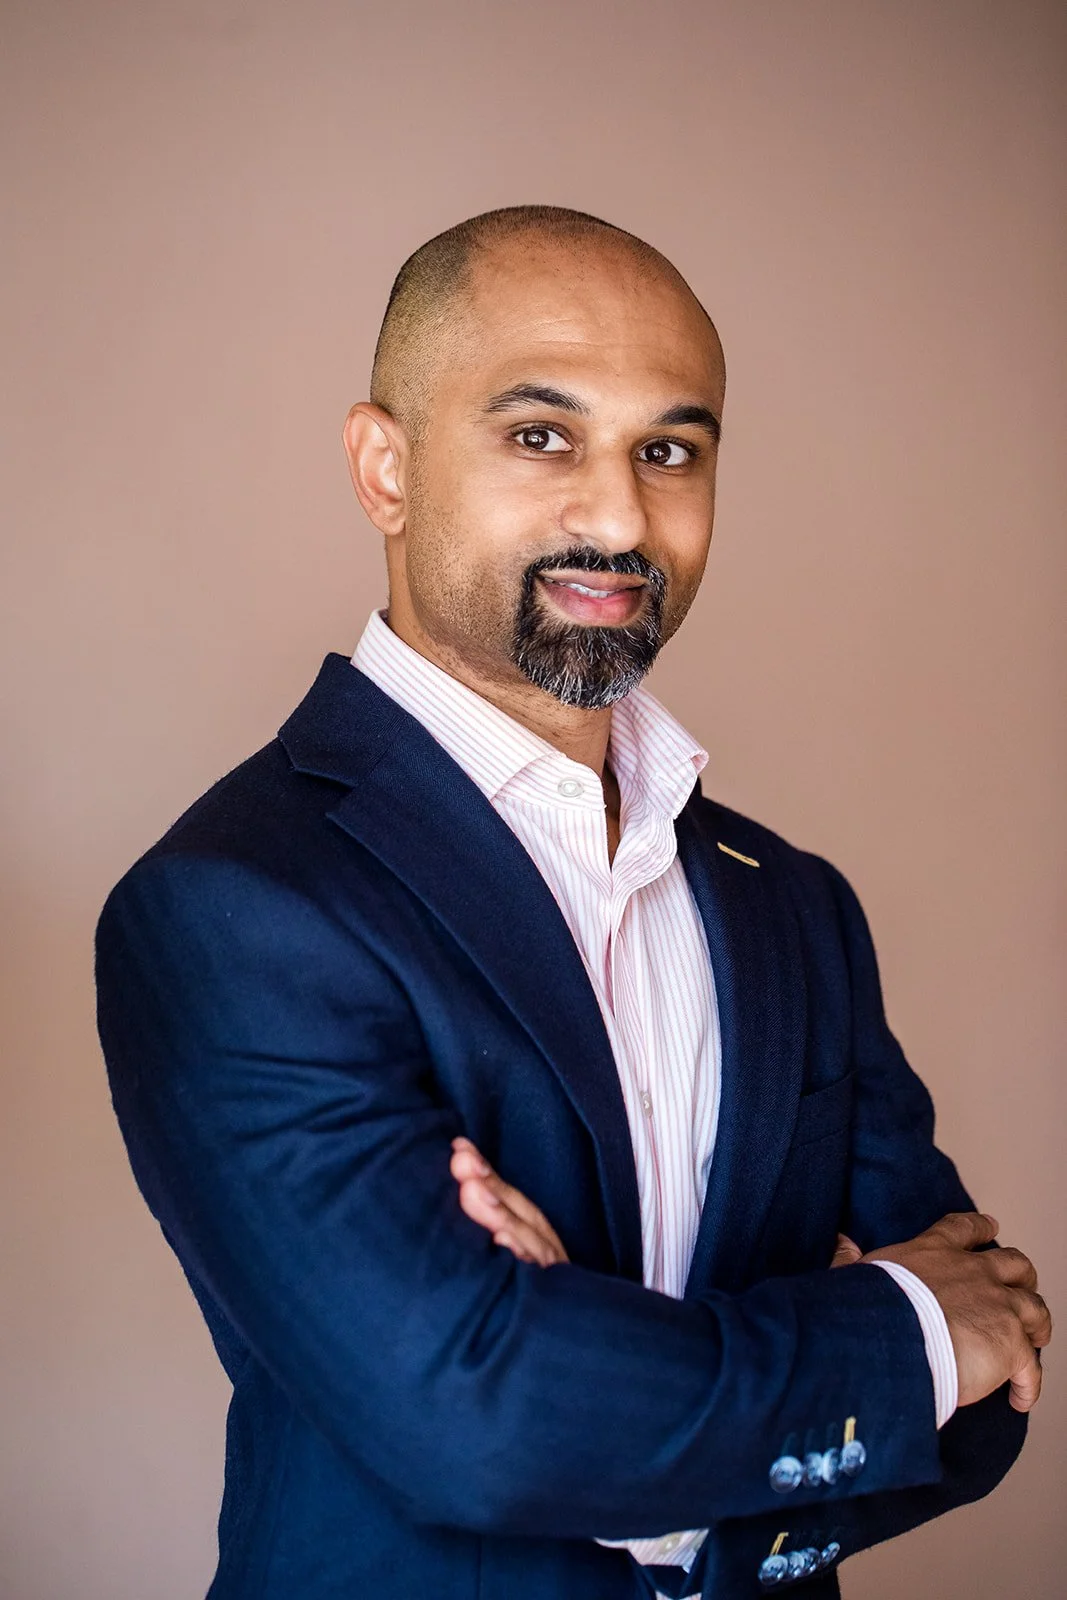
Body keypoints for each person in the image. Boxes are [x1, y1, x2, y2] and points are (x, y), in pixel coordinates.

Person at [95, 205, 1050, 1600]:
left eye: (668, 450)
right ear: (385, 466)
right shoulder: (235, 901)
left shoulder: (793, 903)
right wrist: (893, 1333)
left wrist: (606, 1388)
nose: (616, 516)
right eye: (540, 436)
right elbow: (476, 1420)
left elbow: (988, 1390)